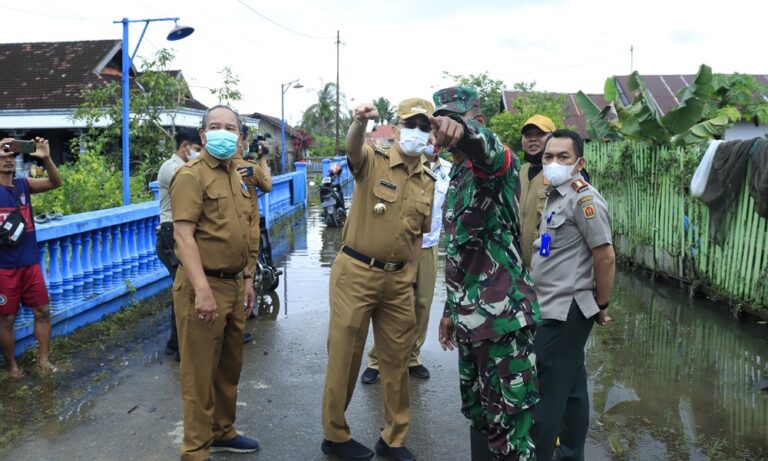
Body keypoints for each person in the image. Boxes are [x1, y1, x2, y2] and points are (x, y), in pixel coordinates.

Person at [321, 98, 451, 461]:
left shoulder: (428, 179)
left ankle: (393, 438)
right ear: (396, 129)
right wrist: (359, 122)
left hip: (397, 282)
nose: (418, 132)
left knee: (396, 361)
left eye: (426, 127)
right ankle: (335, 435)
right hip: (357, 272)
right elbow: (352, 150)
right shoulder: (373, 158)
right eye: (412, 124)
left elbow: (417, 237)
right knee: (344, 356)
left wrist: (408, 279)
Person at [433, 87, 540, 461]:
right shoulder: (459, 176)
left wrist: (464, 132)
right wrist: (449, 310)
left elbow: (489, 151)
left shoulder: (495, 167)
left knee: (510, 433)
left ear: (476, 120)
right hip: (470, 323)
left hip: (503, 326)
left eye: (454, 117)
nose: (444, 125)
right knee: (479, 417)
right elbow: (461, 255)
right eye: (441, 117)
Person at [170, 105, 259, 461]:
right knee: (199, 373)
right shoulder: (192, 176)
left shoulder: (238, 173)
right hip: (202, 285)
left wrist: (248, 279)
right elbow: (182, 235)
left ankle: (223, 431)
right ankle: (195, 449)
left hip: (236, 283)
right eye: (215, 126)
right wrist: (203, 292)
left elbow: (246, 228)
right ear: (203, 136)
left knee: (229, 366)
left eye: (231, 127)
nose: (224, 132)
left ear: (240, 137)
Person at [530, 129, 615, 461]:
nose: (553, 162)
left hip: (564, 311)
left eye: (562, 157)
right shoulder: (555, 194)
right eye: (548, 157)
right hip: (550, 304)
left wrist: (602, 305)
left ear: (579, 162)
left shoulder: (584, 198)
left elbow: (605, 255)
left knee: (547, 393)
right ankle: (570, 454)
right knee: (573, 388)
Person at [361, 148, 451, 384]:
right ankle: (376, 360)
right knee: (394, 303)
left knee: (422, 304)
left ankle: (412, 356)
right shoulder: (405, 166)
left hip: (429, 245)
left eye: (435, 134)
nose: (431, 140)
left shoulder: (448, 171)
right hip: (402, 244)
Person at [0, 137, 62, 378]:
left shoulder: (22, 185)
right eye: (3, 154)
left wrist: (46, 157)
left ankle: (43, 360)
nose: (8, 159)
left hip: (30, 263)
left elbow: (56, 182)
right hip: (4, 267)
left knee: (43, 311)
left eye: (11, 154)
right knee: (7, 319)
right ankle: (11, 366)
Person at [156, 127, 202, 360]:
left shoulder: (185, 167)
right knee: (183, 288)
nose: (199, 155)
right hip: (170, 233)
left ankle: (178, 343)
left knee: (186, 287)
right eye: (197, 150)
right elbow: (195, 183)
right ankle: (177, 345)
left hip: (179, 231)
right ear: (186, 147)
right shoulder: (172, 168)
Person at [519, 114, 555, 269]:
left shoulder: (561, 173)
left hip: (550, 268)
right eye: (528, 135)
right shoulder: (519, 171)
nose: (533, 139)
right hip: (520, 268)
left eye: (540, 134)